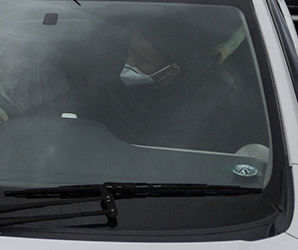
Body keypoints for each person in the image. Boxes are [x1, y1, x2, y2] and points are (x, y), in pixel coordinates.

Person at [77, 22, 257, 153]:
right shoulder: (110, 67)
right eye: (130, 50)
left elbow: (167, 152)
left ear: (171, 70)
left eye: (141, 59)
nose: (129, 61)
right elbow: (80, 100)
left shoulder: (207, 98)